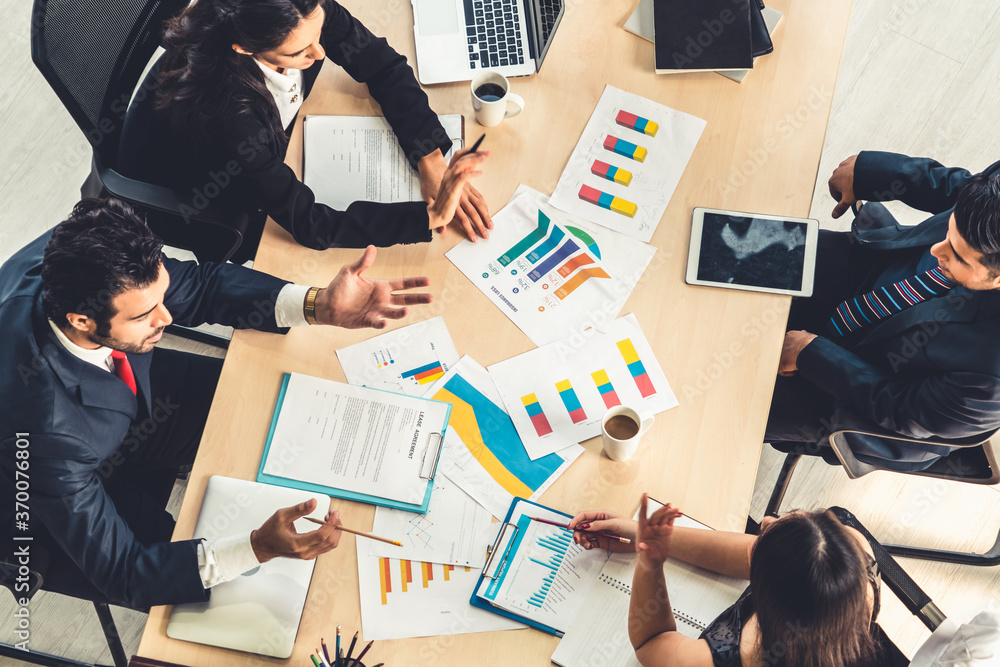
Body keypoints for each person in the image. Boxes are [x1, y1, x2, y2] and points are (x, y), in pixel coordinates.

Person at [0, 196, 446, 610]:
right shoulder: (43, 429)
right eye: (144, 316)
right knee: (226, 596)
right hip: (38, 496)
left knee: (261, 401)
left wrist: (319, 305)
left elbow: (203, 286)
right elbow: (125, 571)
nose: (167, 318)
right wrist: (256, 546)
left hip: (114, 400)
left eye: (161, 295)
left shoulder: (86, 257)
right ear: (81, 320)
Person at [119, 0, 492, 263]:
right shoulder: (226, 117)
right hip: (215, 191)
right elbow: (310, 224)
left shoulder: (299, 11)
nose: (319, 53)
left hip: (275, 142)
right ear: (245, 49)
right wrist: (429, 217)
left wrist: (430, 158)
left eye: (319, 35)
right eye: (298, 52)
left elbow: (382, 66)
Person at [766, 151, 1000, 471]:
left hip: (864, 394)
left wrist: (813, 354)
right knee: (738, 249)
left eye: (957, 254)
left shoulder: (993, 377)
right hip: (874, 273)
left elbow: (901, 409)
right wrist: (871, 173)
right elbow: (966, 190)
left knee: (727, 393)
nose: (936, 249)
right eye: (948, 232)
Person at [569, 496, 880, 667]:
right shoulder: (854, 556)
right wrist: (644, 533)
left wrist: (649, 564)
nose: (766, 521)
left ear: (766, 595)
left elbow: (650, 644)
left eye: (769, 532)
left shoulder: (733, 659)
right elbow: (750, 554)